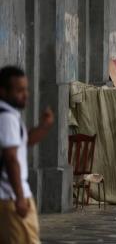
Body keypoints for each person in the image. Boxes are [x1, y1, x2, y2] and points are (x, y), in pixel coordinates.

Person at [0, 66, 54, 244]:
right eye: (19, 90)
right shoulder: (6, 118)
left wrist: (44, 127)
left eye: (26, 89)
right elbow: (11, 158)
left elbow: (24, 142)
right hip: (11, 196)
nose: (26, 94)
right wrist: (20, 198)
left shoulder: (10, 115)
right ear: (3, 91)